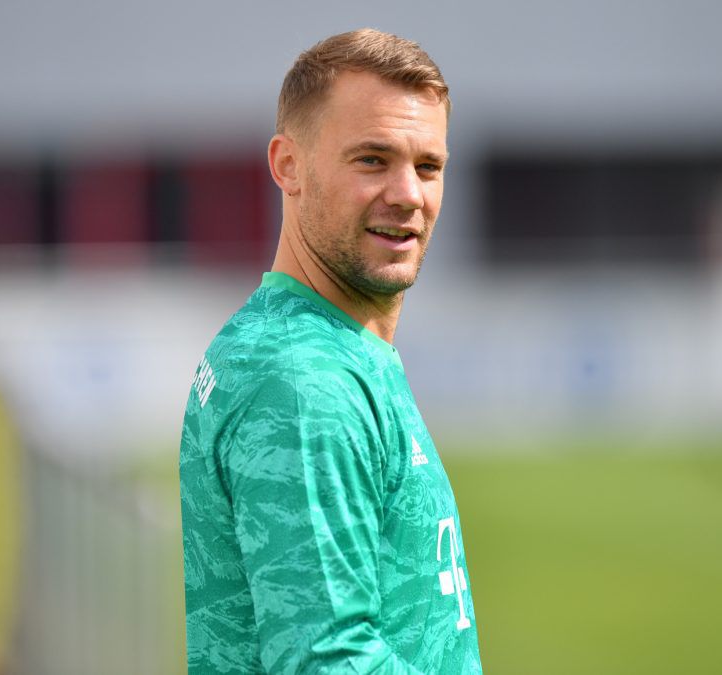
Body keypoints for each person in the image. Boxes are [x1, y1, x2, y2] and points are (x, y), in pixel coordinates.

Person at [180, 28, 482, 673]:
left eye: (428, 166)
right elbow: (327, 659)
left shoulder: (321, 345)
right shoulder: (301, 380)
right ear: (288, 165)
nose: (408, 195)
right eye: (372, 159)